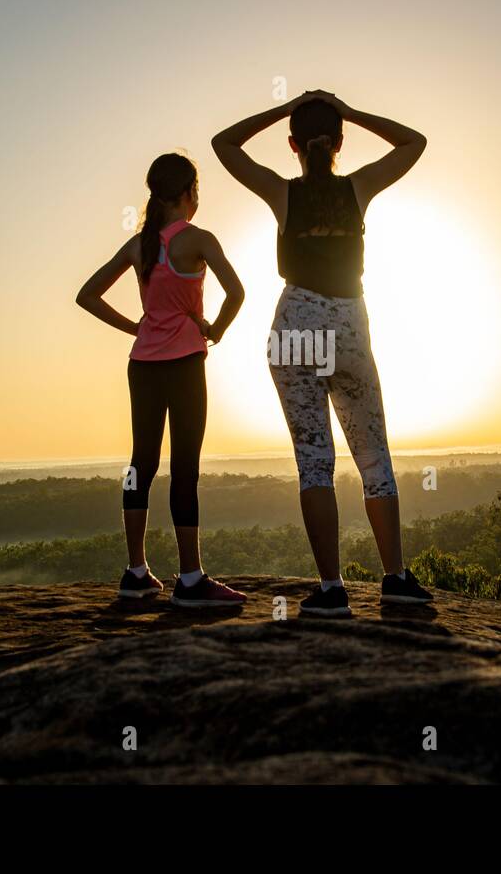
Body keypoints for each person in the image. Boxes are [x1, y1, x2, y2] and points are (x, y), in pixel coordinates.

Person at [212, 91, 433, 616]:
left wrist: (285, 108)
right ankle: (395, 578)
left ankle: (331, 589)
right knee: (374, 456)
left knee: (315, 464)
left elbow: (223, 143)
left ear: (292, 144)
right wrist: (348, 111)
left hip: (295, 327)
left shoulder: (281, 192)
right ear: (339, 143)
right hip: (349, 326)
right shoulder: (357, 188)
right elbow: (414, 142)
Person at [76, 152, 247, 608]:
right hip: (186, 363)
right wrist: (216, 328)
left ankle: (136, 572)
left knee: (141, 464)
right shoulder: (199, 240)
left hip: (143, 365)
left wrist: (137, 327)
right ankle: (190, 578)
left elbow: (86, 295)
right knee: (184, 468)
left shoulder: (140, 246)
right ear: (190, 192)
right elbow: (238, 291)